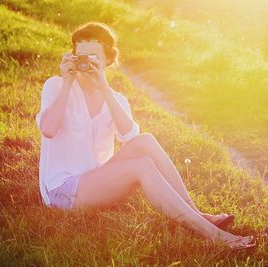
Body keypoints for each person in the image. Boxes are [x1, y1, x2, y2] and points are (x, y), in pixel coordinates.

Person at [35, 22, 255, 250]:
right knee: (142, 167)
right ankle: (211, 234)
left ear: (107, 60)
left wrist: (103, 87)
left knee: (145, 141)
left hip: (98, 179)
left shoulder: (116, 99)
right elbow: (49, 130)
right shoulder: (56, 86)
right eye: (79, 55)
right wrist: (68, 82)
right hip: (63, 190)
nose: (84, 62)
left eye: (92, 56)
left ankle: (197, 213)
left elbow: (129, 135)